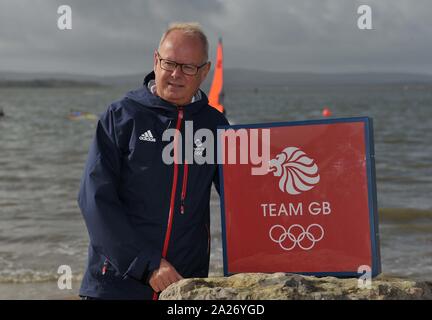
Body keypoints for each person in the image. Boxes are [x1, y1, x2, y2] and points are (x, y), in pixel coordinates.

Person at [77, 22, 229, 300]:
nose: (175, 74)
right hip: (115, 284)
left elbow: (243, 196)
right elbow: (94, 200)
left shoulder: (216, 125)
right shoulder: (121, 116)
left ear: (205, 71)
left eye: (188, 67)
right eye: (169, 63)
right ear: (156, 60)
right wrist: (147, 264)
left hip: (184, 285)